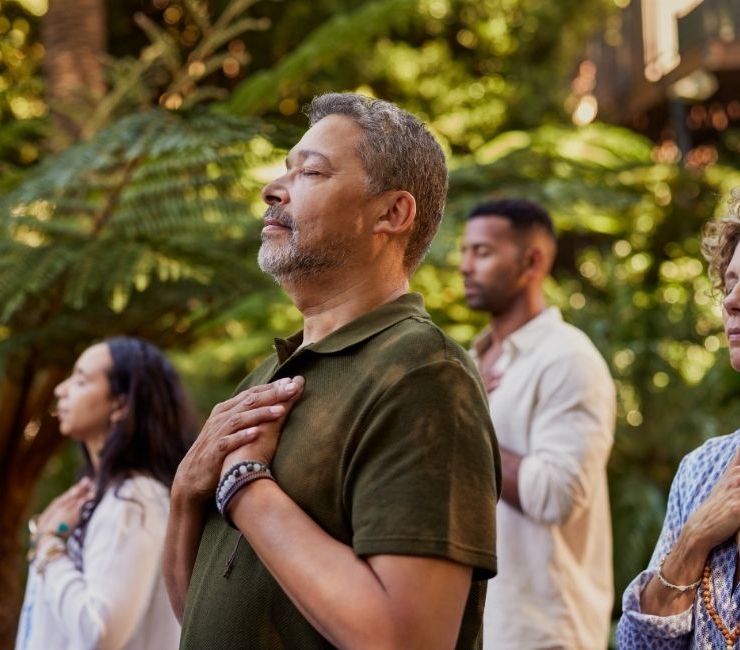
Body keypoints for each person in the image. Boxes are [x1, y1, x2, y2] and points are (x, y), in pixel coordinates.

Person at [163, 93, 500, 649]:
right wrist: (186, 492)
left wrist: (244, 486)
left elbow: (407, 639)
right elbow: (196, 612)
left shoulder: (422, 373)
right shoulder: (263, 378)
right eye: (284, 169)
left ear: (392, 214)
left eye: (312, 171)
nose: (274, 189)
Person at [617, 179, 740, 648]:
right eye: (730, 282)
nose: (732, 300)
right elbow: (639, 644)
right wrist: (694, 539)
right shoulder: (705, 469)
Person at [459, 198, 616, 650]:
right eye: (466, 251)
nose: (466, 266)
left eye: (483, 252)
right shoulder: (472, 361)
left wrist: (465, 427)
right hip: (473, 627)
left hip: (542, 633)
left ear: (533, 261)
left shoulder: (567, 359)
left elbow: (555, 494)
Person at [16, 337, 195, 650]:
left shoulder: (135, 500)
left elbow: (98, 632)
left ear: (121, 404)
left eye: (81, 379)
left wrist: (48, 546)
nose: (61, 389)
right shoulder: (101, 496)